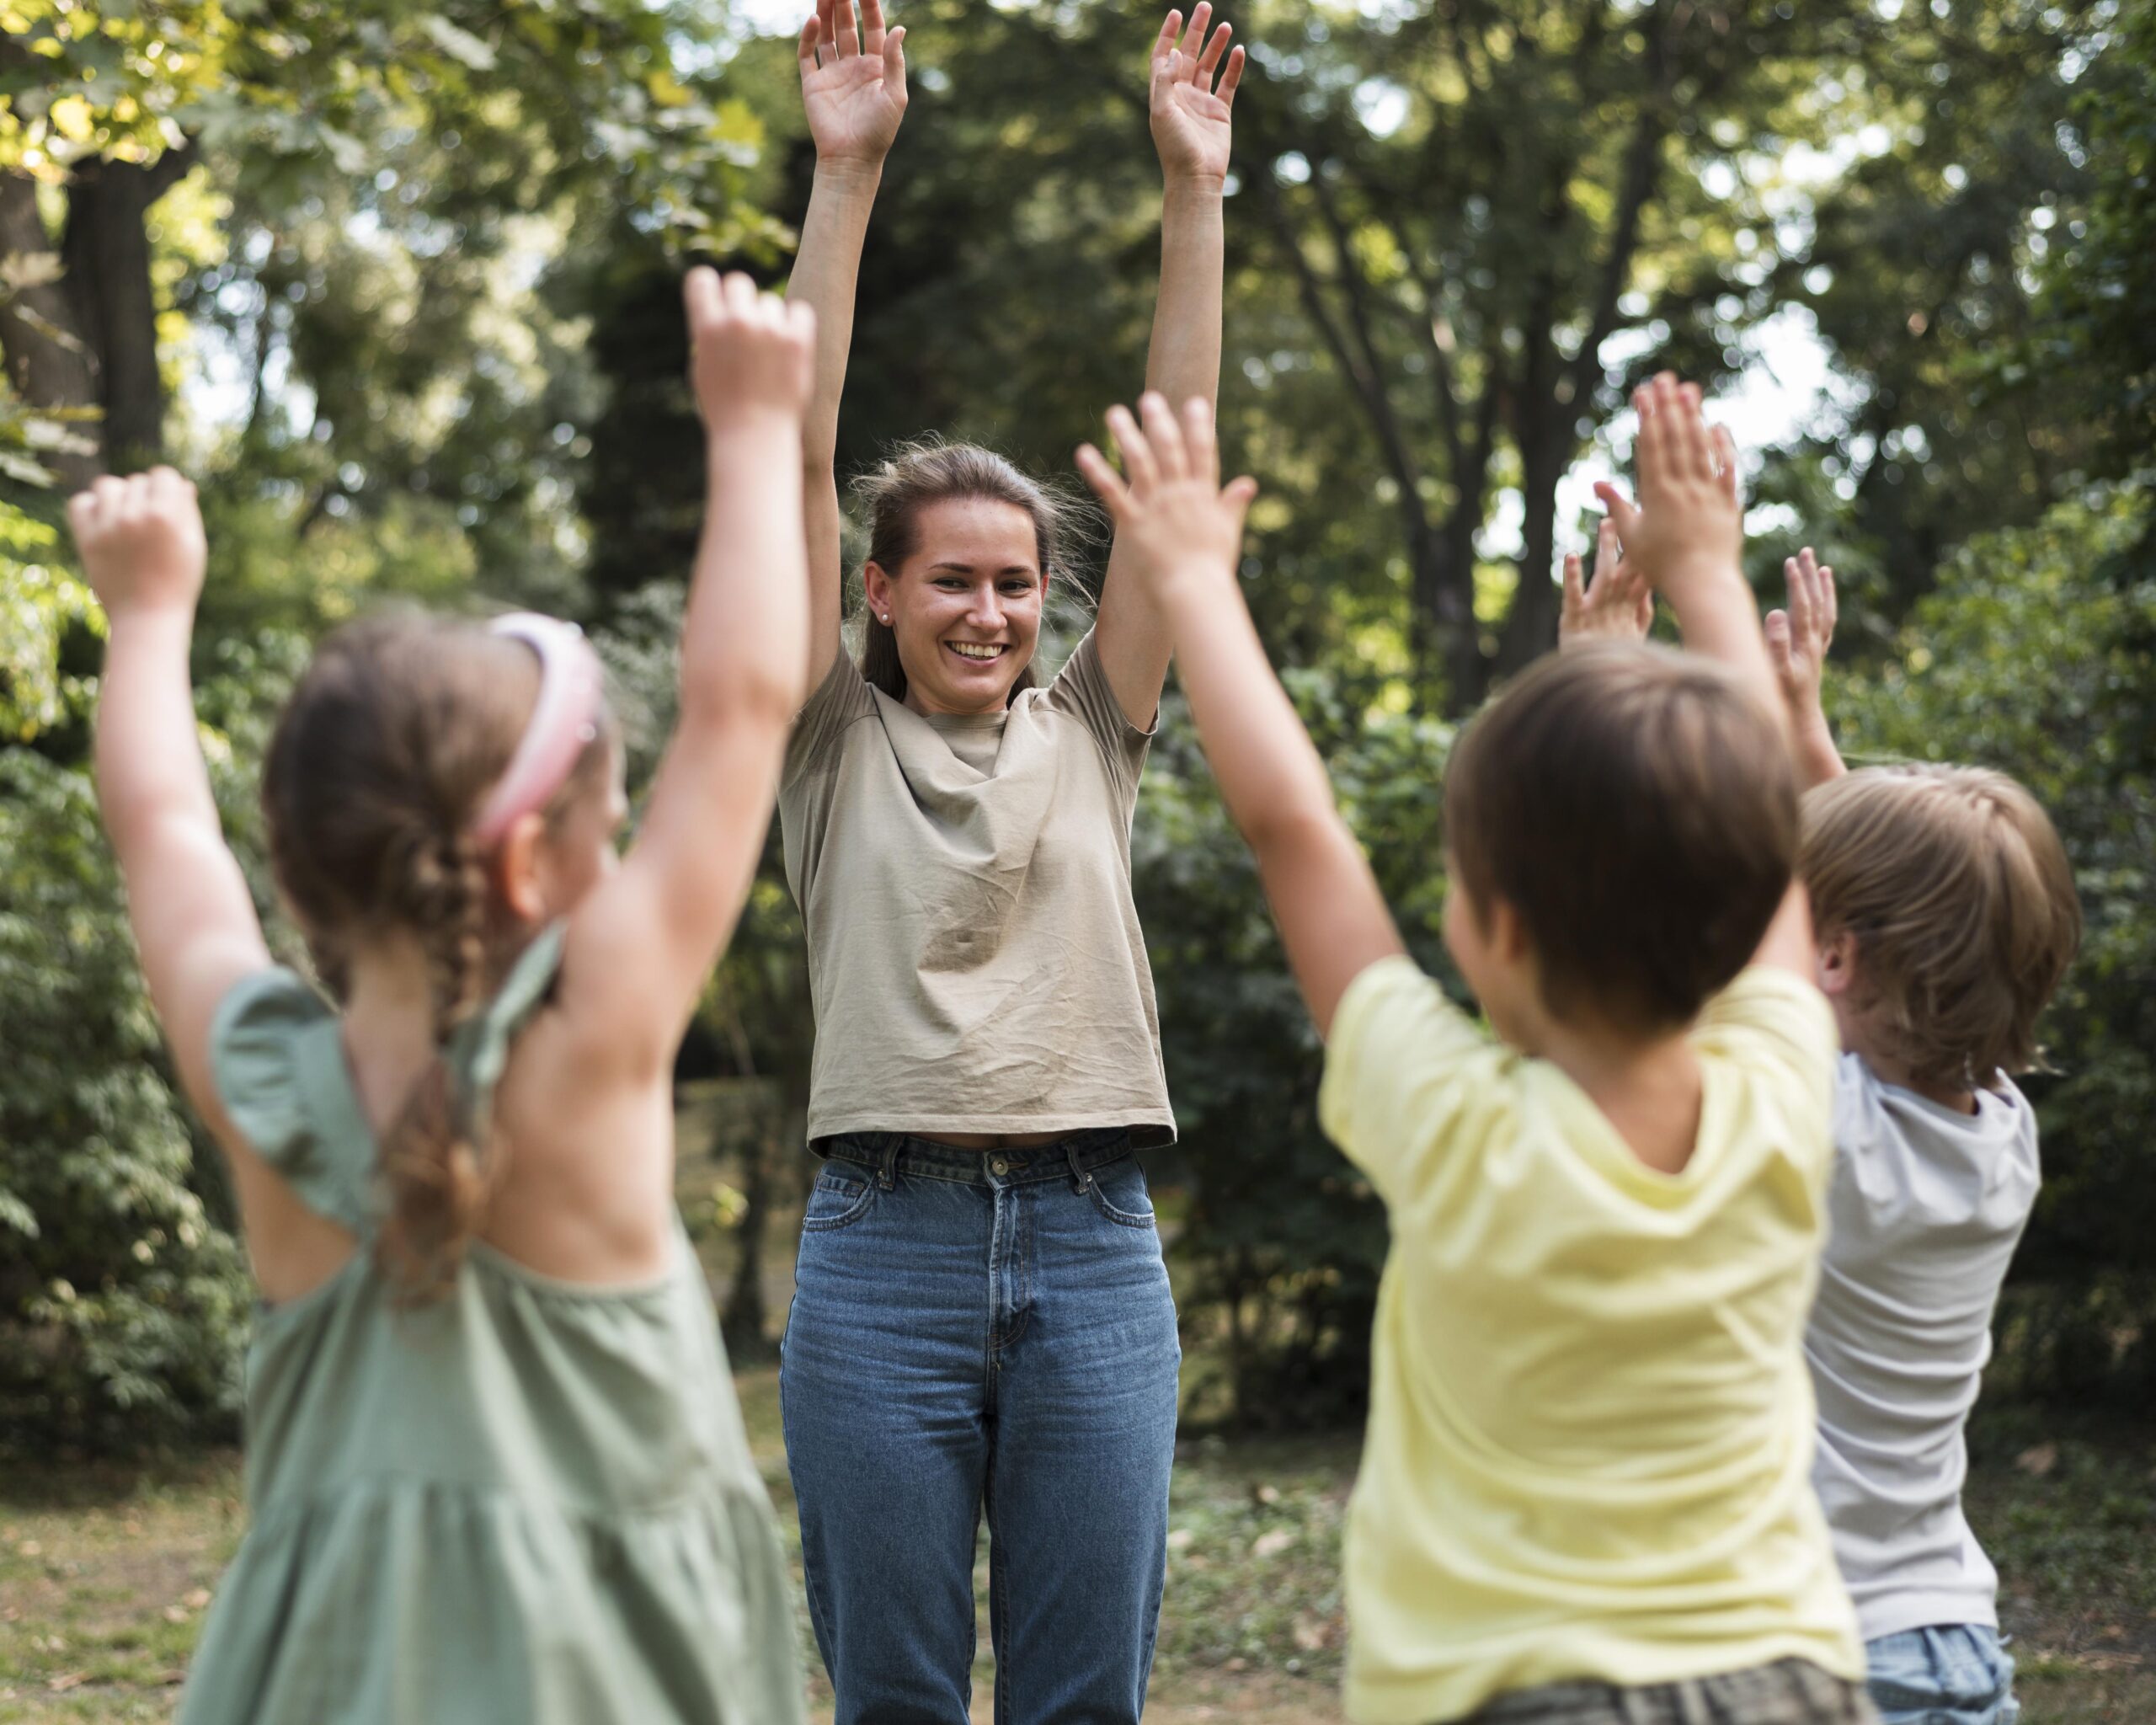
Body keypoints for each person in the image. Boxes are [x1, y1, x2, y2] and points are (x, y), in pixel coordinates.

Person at [69, 271, 817, 1725]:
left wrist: (147, 610)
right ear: (538, 864)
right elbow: (740, 706)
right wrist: (752, 424)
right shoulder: (594, 1040)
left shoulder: (263, 1077)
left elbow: (161, 826)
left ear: (299, 865)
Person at [1076, 377, 1873, 1724]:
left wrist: (1197, 581)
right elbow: (1764, 847)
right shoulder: (1786, 1092)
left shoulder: (1455, 1128)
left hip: (1512, 1696)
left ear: (1494, 928)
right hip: (1786, 1680)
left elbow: (1295, 830)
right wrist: (1704, 577)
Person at [772, 3, 1244, 1718]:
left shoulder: (1088, 730)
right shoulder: (822, 733)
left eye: (1013, 581)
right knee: (889, 1697)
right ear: (876, 592)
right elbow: (786, 449)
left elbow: (1170, 473)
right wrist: (847, 170)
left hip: (1093, 1240)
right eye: (950, 578)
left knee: (1080, 1704)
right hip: (878, 1247)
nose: (989, 607)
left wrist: (1192, 194)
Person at [1764, 549, 2081, 1725]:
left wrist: (1634, 649)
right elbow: (1926, 908)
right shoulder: (2002, 1141)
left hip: (1819, 1660)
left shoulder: (1821, 1127)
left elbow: (1814, 932)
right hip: (1952, 1645)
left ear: (1836, 957)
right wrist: (1803, 721)